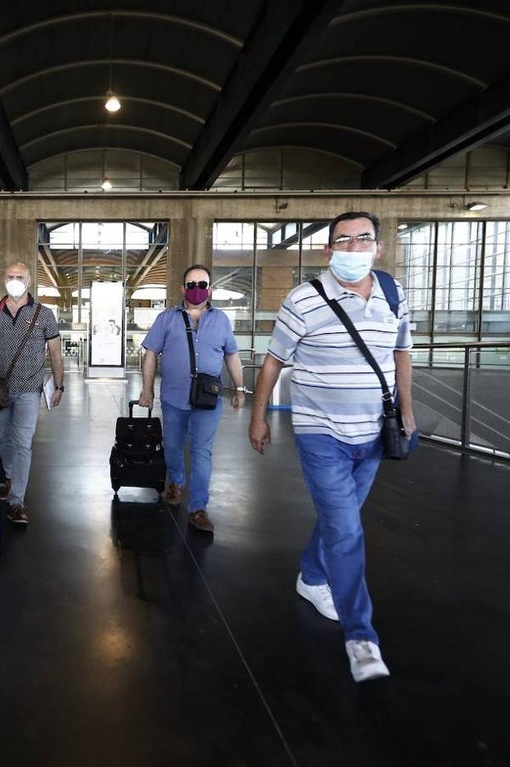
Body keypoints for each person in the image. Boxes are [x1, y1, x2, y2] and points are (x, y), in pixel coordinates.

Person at [248, 211, 415, 683]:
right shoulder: (303, 300)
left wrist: (407, 409)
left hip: (374, 433)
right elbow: (273, 362)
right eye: (343, 240)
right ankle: (361, 637)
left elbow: (401, 353)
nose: (353, 247)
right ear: (328, 250)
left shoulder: (394, 295)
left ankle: (312, 575)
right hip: (321, 432)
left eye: (363, 239)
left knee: (339, 517)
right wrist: (258, 418)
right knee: (346, 530)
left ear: (378, 247)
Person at [138, 264, 245, 534]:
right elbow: (150, 353)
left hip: (208, 400)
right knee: (172, 447)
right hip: (174, 398)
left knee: (201, 452)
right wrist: (147, 390)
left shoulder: (221, 320)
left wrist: (240, 387)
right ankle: (176, 480)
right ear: (182, 288)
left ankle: (198, 508)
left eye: (202, 285)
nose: (197, 290)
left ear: (210, 289)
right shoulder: (167, 318)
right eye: (191, 285)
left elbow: (231, 355)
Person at [0, 261, 63, 525]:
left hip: (29, 390)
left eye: (19, 276)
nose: (14, 280)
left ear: (29, 281)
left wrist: (59, 385)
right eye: (10, 276)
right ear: (3, 280)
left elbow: (56, 353)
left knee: (22, 442)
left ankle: (16, 502)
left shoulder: (44, 314)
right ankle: (11, 477)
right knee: (3, 438)